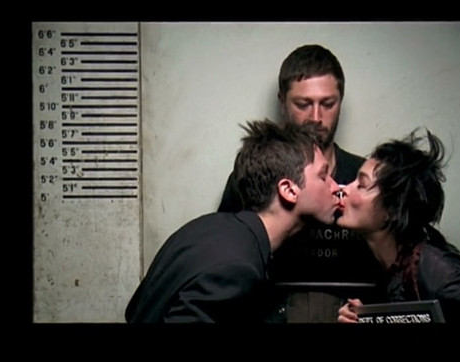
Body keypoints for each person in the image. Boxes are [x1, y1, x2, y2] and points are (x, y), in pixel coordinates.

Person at [217, 44, 381, 321]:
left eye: (328, 104)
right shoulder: (254, 175)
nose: (316, 117)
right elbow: (226, 259)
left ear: (341, 101)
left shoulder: (363, 179)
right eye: (303, 104)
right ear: (282, 102)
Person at [126, 120, 342, 323]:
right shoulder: (238, 268)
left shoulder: (207, 227)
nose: (336, 187)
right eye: (323, 176)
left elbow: (135, 309)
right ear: (289, 190)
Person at [335, 129, 460, 323]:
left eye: (361, 184)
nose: (344, 188)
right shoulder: (380, 265)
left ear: (392, 210)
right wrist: (366, 317)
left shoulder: (438, 271)